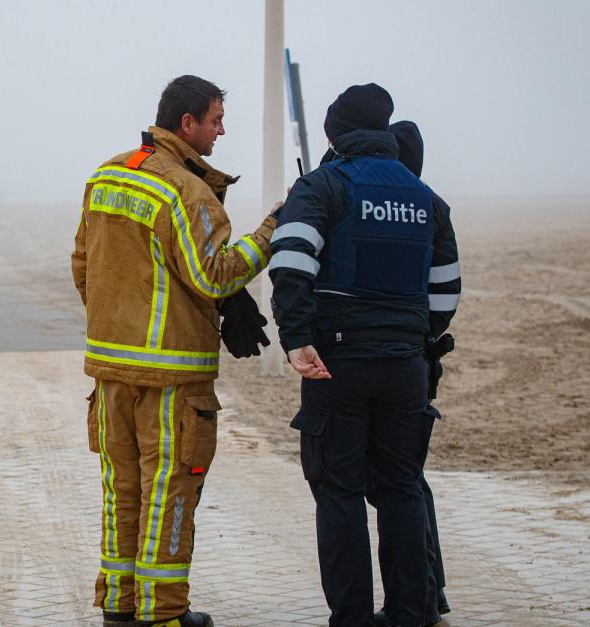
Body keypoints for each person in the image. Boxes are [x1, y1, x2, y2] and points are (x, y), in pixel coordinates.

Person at [72, 75, 278, 627]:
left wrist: (116, 325)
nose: (221, 129)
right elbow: (213, 277)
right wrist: (269, 234)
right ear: (186, 124)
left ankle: (118, 601)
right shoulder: (186, 192)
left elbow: (82, 266)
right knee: (168, 492)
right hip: (171, 376)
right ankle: (163, 613)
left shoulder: (106, 176)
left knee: (122, 490)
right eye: (215, 119)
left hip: (110, 370)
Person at [269, 84, 460, 627]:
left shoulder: (322, 186)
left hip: (337, 365)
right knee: (401, 491)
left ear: (334, 133)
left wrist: (297, 338)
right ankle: (409, 614)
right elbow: (445, 290)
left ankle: (351, 618)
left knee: (340, 494)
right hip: (406, 368)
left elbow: (290, 263)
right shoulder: (428, 199)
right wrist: (414, 339)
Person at [367, 120, 461, 626]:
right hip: (416, 358)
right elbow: (446, 294)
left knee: (399, 484)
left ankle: (423, 597)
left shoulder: (400, 207)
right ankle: (429, 594)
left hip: (400, 359)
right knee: (406, 481)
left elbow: (443, 292)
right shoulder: (429, 205)